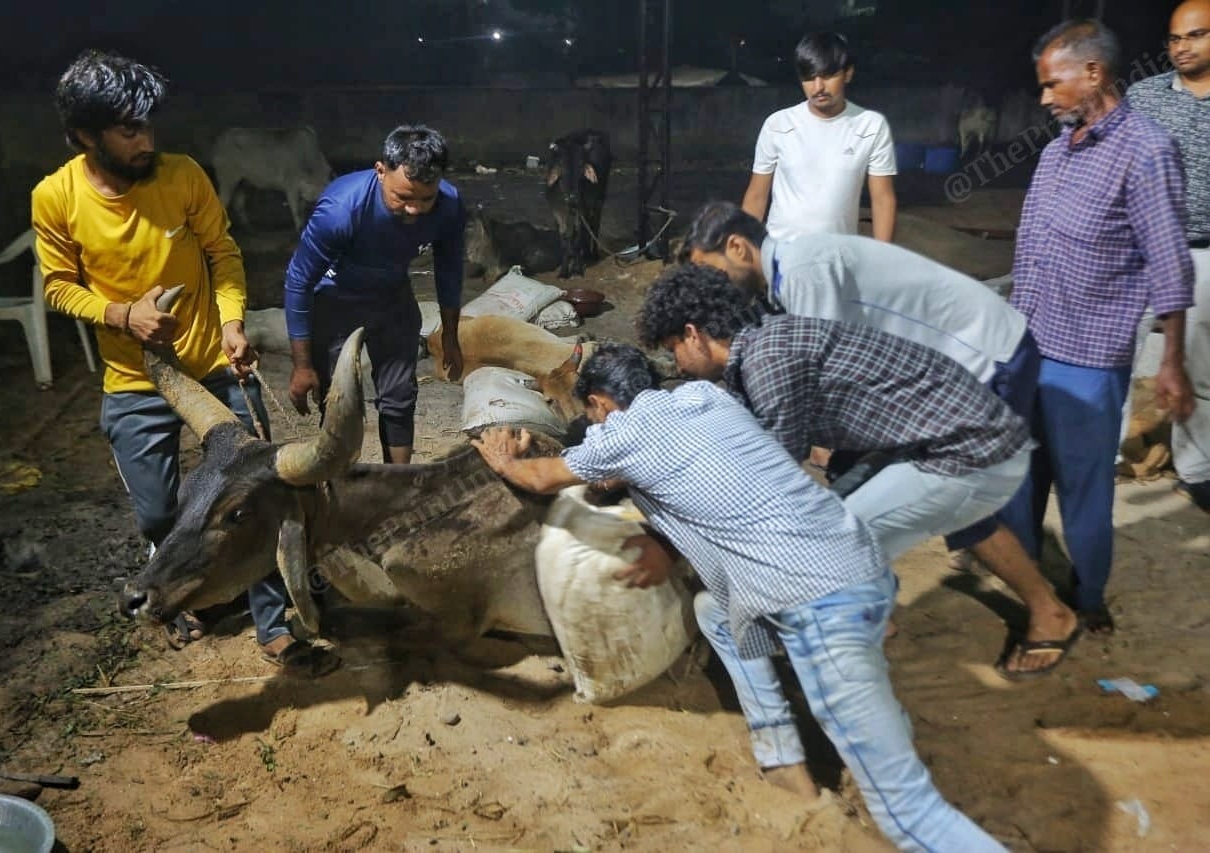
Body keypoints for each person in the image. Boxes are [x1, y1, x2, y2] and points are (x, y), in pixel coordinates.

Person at [470, 343, 1003, 852]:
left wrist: (503, 460)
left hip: (816, 599)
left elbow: (540, 478)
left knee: (909, 812)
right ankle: (783, 760)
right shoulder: (709, 397)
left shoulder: (624, 431)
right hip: (862, 564)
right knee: (715, 613)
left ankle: (883, 766)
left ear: (600, 404)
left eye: (596, 415)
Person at [32, 50, 339, 677]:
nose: (145, 141)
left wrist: (231, 324)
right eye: (127, 131)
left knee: (255, 498)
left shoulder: (184, 175)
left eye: (149, 126)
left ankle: (274, 623)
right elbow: (58, 287)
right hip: (136, 382)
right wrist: (123, 316)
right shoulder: (55, 197)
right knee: (159, 514)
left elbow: (223, 256)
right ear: (84, 135)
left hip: (213, 370)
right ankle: (185, 592)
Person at [678, 200, 1079, 674]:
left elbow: (816, 378)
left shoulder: (807, 273)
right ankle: (872, 607)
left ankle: (1048, 610)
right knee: (868, 482)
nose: (715, 289)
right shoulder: (784, 280)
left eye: (714, 272)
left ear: (738, 247)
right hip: (943, 363)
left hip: (983, 354)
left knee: (958, 492)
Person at [1008, 19, 1196, 633]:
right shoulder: (1057, 151)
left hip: (1088, 355)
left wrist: (1171, 360)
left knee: (1084, 485)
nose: (1044, 97)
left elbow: (1168, 261)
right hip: (1028, 343)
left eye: (1051, 83)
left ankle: (1088, 596)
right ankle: (1029, 582)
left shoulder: (1146, 150)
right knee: (1021, 473)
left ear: (1093, 73)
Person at [283, 125, 465, 464]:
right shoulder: (340, 211)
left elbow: (450, 268)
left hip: (392, 299)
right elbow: (298, 282)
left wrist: (451, 336)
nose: (416, 209)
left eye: (427, 198)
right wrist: (302, 366)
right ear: (380, 170)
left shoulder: (449, 205)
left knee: (400, 397)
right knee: (338, 402)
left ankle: (398, 486)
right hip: (336, 302)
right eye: (404, 197)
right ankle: (339, 486)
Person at [1126, 0, 1210, 512]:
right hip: (1139, 251)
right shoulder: (1145, 95)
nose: (1181, 47)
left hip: (1204, 254)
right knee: (1115, 353)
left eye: (1195, 36)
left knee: (1199, 368)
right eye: (1175, 39)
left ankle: (1196, 470)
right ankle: (1102, 453)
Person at [741, 31, 897, 243]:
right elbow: (757, 197)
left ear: (848, 73)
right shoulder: (778, 125)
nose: (818, 87)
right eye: (809, 78)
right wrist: (746, 258)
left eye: (828, 75)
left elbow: (882, 200)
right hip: (783, 256)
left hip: (839, 258)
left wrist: (881, 258)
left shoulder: (870, 125)